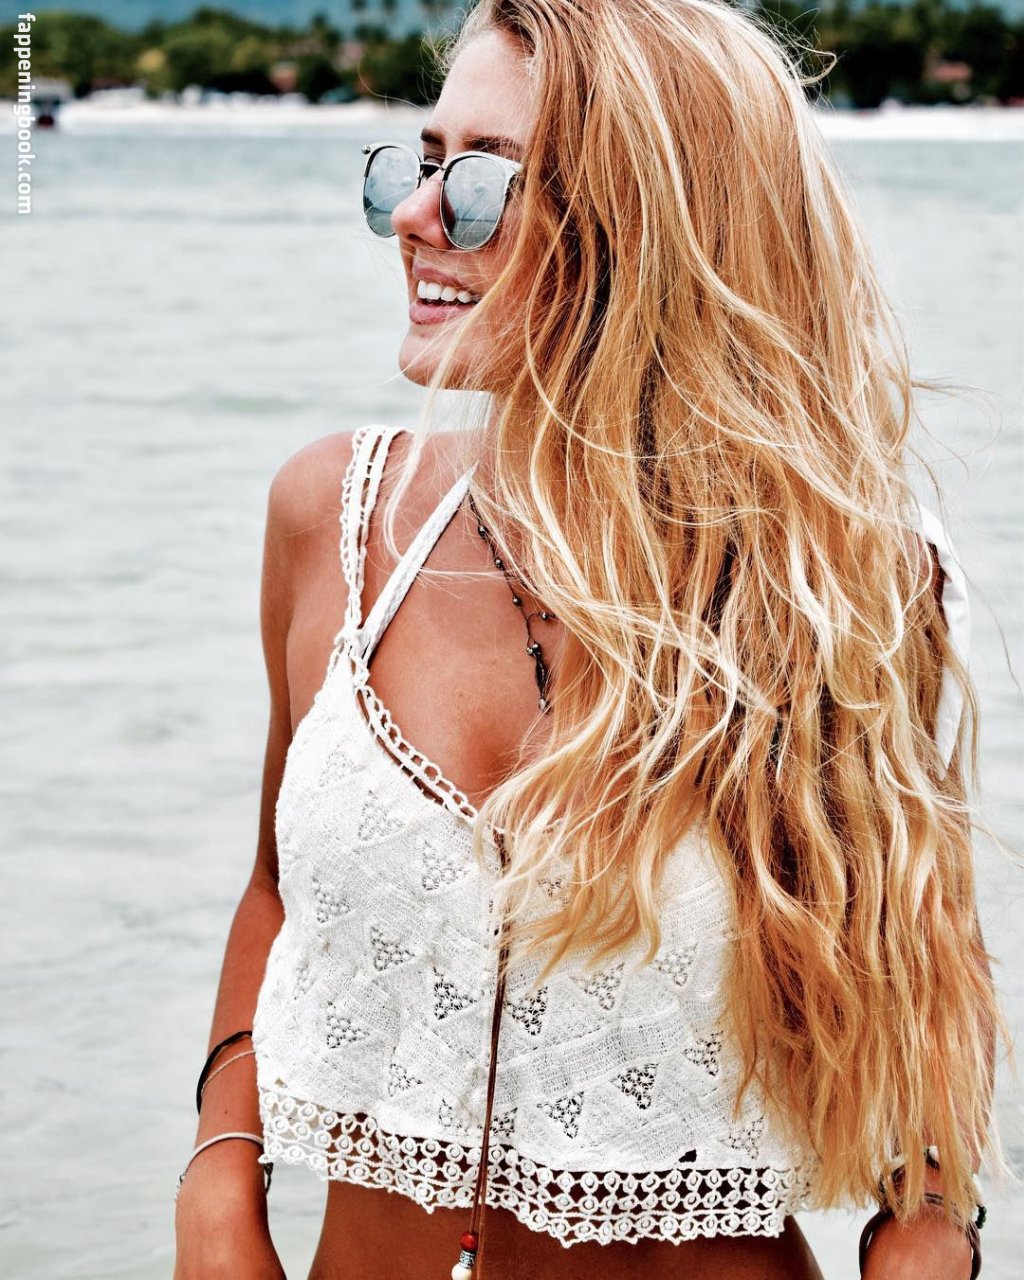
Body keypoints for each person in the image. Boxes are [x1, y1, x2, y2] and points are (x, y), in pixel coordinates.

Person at [173, 2, 1002, 1277]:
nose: (414, 217)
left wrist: (930, 1231)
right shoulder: (331, 519)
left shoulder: (843, 578)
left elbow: (917, 976)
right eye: (420, 163)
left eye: (481, 182)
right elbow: (275, 888)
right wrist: (219, 1182)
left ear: (650, 222)